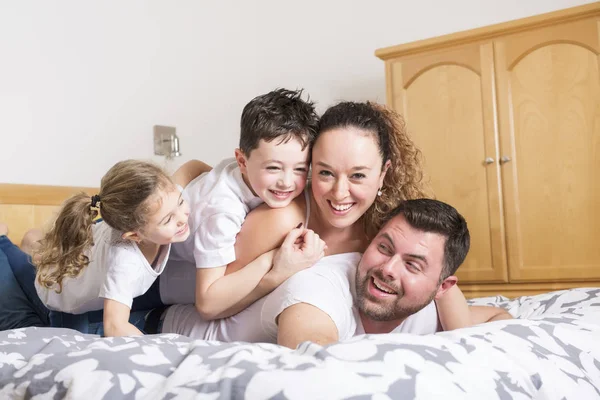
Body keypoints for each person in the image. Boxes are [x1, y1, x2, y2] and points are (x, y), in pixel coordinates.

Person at [157, 199, 512, 348]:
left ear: (442, 286)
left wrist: (458, 334)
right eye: (384, 248)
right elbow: (314, 362)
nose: (387, 269)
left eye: (413, 264)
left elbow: (498, 315)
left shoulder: (431, 309)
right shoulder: (320, 289)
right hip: (154, 321)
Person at [166, 88, 325, 321]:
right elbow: (207, 304)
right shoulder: (222, 212)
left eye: (300, 169)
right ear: (242, 160)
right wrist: (272, 260)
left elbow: (194, 165)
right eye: (273, 168)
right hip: (149, 271)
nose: (287, 182)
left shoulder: (244, 173)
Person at [33, 160, 193, 336]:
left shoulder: (163, 197)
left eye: (181, 201)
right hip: (60, 293)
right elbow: (115, 327)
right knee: (68, 344)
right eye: (168, 220)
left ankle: (35, 245)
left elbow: (191, 167)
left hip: (87, 256)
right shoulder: (124, 262)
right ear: (135, 236)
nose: (182, 217)